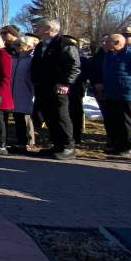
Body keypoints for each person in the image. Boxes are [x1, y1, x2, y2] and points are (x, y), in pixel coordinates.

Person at [31, 19, 81, 159]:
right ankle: (57, 145)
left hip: (58, 88)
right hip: (43, 87)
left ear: (48, 28)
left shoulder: (65, 44)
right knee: (49, 116)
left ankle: (68, 147)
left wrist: (65, 83)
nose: (37, 28)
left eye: (39, 26)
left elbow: (74, 66)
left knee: (60, 116)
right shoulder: (41, 45)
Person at [99, 33, 131, 156]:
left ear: (117, 43)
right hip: (112, 94)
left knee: (128, 122)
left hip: (128, 94)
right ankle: (119, 145)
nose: (104, 44)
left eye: (107, 42)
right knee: (116, 121)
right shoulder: (109, 56)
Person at [10, 35, 38, 151]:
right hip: (14, 92)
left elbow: (33, 78)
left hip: (26, 93)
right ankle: (20, 141)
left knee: (26, 117)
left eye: (19, 45)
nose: (17, 47)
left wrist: (33, 92)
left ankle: (30, 141)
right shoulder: (14, 59)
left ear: (28, 46)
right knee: (17, 117)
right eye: (16, 45)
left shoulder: (32, 60)